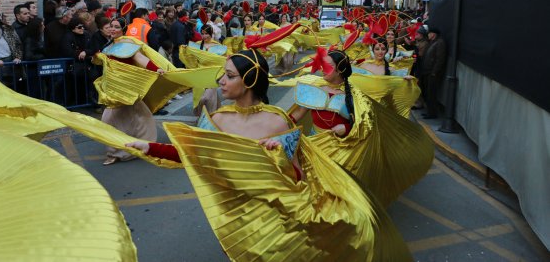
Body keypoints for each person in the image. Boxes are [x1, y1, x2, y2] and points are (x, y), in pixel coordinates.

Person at [126, 49, 413, 261]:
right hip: (232, 214)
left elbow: (298, 178)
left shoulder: (278, 122)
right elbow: (188, 152)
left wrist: (278, 158)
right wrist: (148, 147)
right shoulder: (216, 119)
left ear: (249, 79)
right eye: (222, 76)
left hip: (271, 217)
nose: (221, 82)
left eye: (229, 76)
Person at [98, 18, 164, 165]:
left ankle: (114, 152)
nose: (112, 29)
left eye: (116, 27)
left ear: (123, 29)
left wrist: (156, 69)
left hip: (127, 89)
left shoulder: (128, 44)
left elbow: (140, 58)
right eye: (111, 26)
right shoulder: (110, 45)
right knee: (136, 115)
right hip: (114, 89)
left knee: (108, 120)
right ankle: (138, 145)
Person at [289, 50, 354, 137]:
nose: (323, 68)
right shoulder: (316, 87)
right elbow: (298, 113)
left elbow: (363, 122)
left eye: (328, 66)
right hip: (313, 144)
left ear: (339, 70)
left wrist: (347, 128)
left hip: (341, 147)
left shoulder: (353, 93)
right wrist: (278, 128)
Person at [421, 27, 446, 120]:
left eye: (429, 33)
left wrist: (434, 72)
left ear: (433, 34)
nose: (428, 35)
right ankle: (429, 111)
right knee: (427, 92)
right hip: (427, 71)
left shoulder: (440, 43)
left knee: (431, 93)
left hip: (432, 73)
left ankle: (432, 113)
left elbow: (440, 59)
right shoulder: (432, 42)